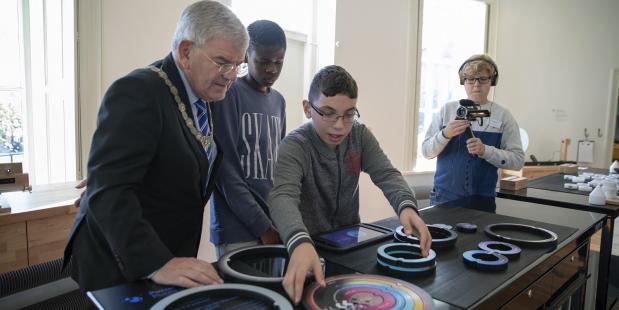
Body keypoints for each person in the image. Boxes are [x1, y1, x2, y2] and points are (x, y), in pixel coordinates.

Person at [63, 1, 248, 292]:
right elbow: (110, 189)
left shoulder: (203, 97)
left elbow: (168, 161)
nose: (232, 75)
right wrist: (156, 262)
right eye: (223, 62)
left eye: (238, 64)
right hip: (120, 261)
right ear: (186, 52)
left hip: (168, 249)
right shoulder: (139, 91)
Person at [267, 65, 432, 304]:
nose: (339, 125)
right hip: (305, 251)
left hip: (348, 248)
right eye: (328, 113)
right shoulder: (295, 146)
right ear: (307, 108)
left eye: (349, 114)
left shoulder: (360, 135)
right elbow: (282, 196)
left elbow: (386, 174)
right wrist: (299, 241)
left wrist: (406, 207)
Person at [210, 20, 286, 257]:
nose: (272, 69)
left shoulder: (279, 102)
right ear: (245, 56)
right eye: (263, 62)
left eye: (278, 62)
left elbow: (278, 167)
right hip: (237, 231)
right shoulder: (228, 94)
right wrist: (263, 227)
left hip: (272, 225)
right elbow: (225, 172)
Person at [422, 54, 525, 206]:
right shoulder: (447, 111)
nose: (476, 84)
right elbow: (426, 152)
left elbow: (517, 161)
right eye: (470, 79)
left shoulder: (503, 116)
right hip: (443, 199)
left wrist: (485, 150)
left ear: (492, 81)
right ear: (463, 81)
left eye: (482, 79)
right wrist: (445, 135)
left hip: (483, 201)